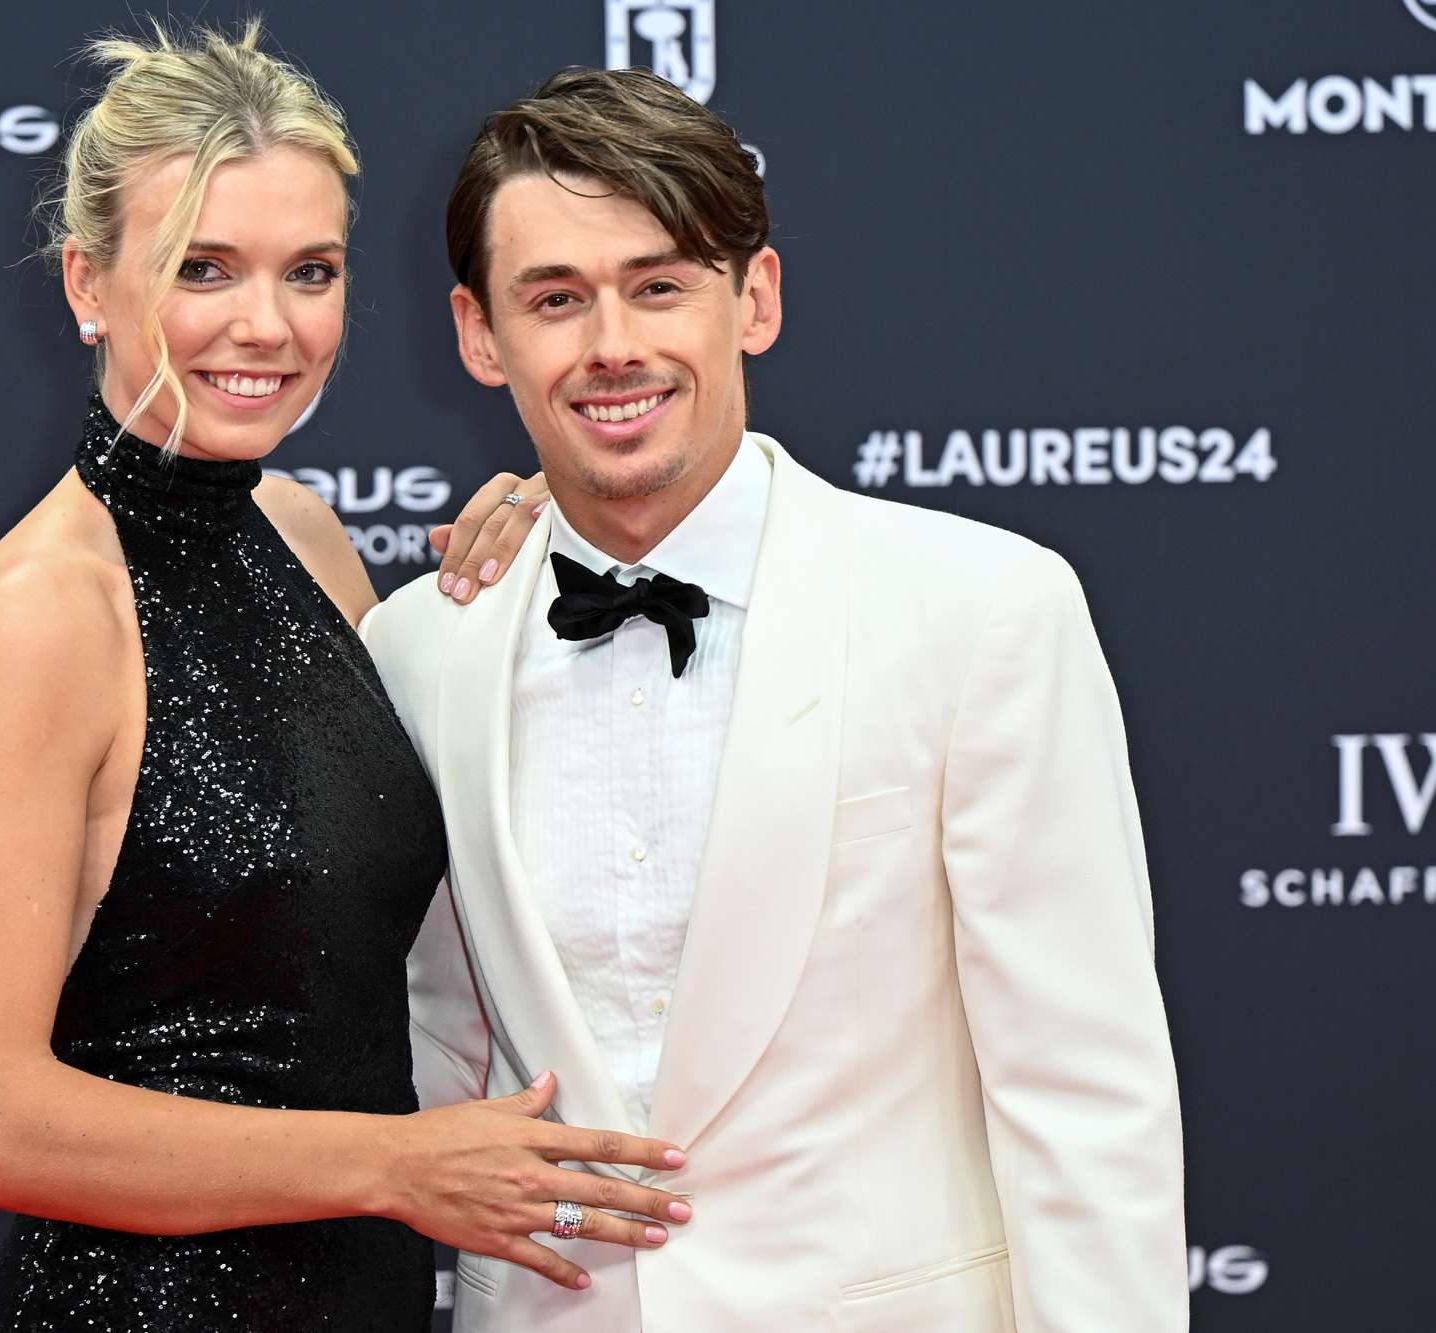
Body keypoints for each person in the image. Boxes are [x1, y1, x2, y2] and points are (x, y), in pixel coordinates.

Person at [365, 66, 1188, 1331]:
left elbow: (1084, 1096)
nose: (613, 346)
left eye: (658, 285)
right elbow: (419, 1055)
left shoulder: (981, 609)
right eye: (555, 300)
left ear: (754, 297)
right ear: (480, 336)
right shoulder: (420, 648)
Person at [0, 27, 694, 1332]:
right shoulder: (38, 615)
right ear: (88, 282)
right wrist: (392, 1164)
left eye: (308, 271)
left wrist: (538, 528)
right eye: (204, 269)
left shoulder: (307, 534)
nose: (266, 325)